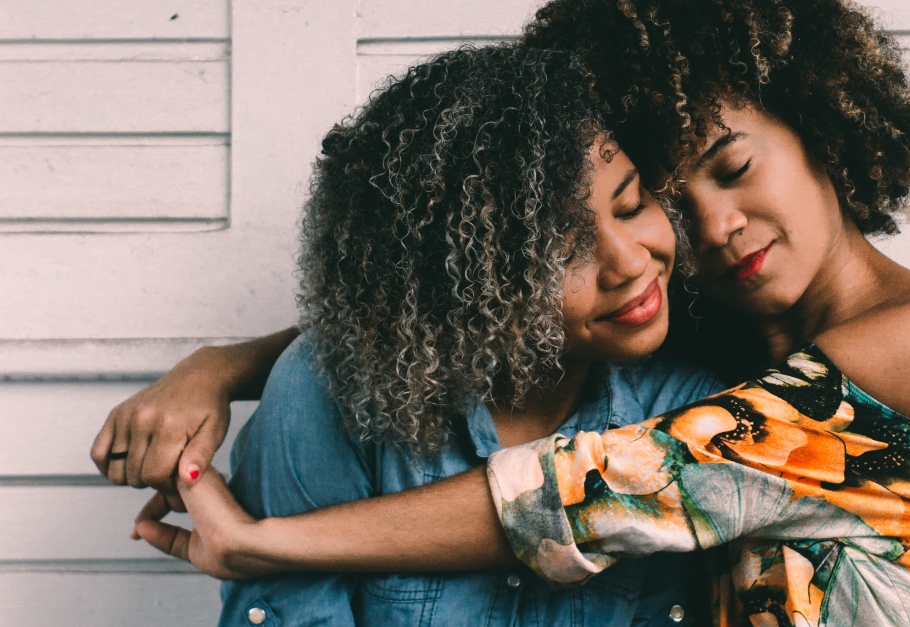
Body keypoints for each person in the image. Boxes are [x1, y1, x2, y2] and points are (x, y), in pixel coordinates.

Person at [95, 1, 910, 625]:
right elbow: (450, 314)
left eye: (735, 166)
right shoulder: (742, 345)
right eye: (669, 197)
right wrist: (221, 366)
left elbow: (606, 489)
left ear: (819, 121)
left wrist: (264, 543)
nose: (714, 227)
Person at [100, 44, 736, 626]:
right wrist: (218, 366)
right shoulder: (330, 400)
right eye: (562, 252)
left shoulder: (697, 406)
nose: (631, 261)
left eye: (631, 206)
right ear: (463, 280)